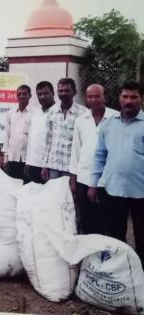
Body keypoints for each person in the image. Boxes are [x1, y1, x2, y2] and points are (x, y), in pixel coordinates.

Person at [88, 81, 144, 264]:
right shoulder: (108, 125)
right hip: (113, 191)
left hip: (141, 193)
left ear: (141, 100)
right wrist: (93, 183)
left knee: (142, 239)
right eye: (125, 96)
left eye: (133, 97)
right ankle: (119, 275)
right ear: (119, 99)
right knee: (115, 237)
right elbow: (99, 155)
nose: (129, 101)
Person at [69, 84, 117, 234]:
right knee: (87, 220)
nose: (93, 99)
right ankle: (90, 254)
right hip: (84, 178)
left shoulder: (116, 118)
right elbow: (76, 150)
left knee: (107, 221)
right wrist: (73, 179)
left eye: (97, 96)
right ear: (86, 98)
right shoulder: (81, 120)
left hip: (108, 180)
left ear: (104, 97)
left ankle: (107, 254)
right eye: (90, 96)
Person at [42, 78, 86, 180]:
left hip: (72, 168)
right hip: (53, 166)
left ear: (74, 92)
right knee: (54, 195)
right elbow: (48, 141)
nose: (63, 93)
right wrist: (45, 165)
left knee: (69, 195)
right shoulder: (52, 111)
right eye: (60, 91)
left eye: (67, 90)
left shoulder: (83, 113)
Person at [24, 81, 55, 183]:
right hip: (33, 163)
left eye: (45, 93)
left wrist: (47, 166)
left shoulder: (57, 113)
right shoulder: (35, 113)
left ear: (53, 93)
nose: (42, 97)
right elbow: (32, 139)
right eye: (39, 94)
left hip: (49, 166)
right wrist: (28, 162)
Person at [1, 84, 32, 181]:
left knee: (28, 186)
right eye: (19, 94)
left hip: (28, 159)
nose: (22, 96)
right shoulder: (10, 114)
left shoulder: (35, 113)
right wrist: (6, 156)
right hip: (13, 157)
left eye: (25, 94)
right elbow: (7, 134)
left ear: (30, 96)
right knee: (13, 185)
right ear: (16, 96)